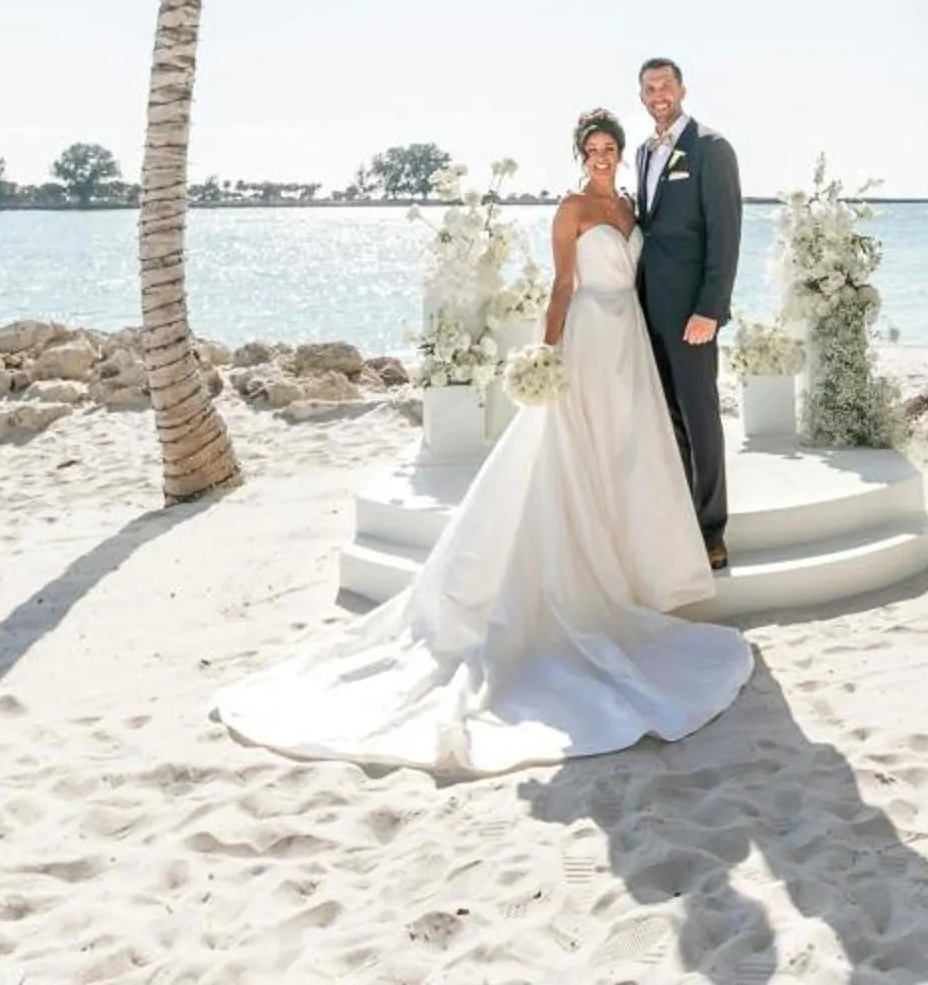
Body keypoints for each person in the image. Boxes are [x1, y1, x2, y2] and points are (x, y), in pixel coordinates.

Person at [213, 107, 752, 775]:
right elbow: (562, 286)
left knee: (628, 453)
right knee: (574, 453)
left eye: (611, 146)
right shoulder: (572, 208)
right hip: (587, 336)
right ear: (579, 154)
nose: (604, 155)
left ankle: (634, 561)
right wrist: (547, 356)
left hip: (630, 344)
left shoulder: (628, 204)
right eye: (594, 148)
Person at [632, 56, 739, 569]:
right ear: (642, 96)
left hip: (693, 315)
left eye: (666, 85)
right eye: (650, 87)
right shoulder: (642, 152)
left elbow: (726, 237)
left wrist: (710, 310)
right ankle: (682, 516)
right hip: (648, 308)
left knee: (701, 417)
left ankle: (712, 530)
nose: (659, 94)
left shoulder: (711, 149)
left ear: (683, 90)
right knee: (669, 416)